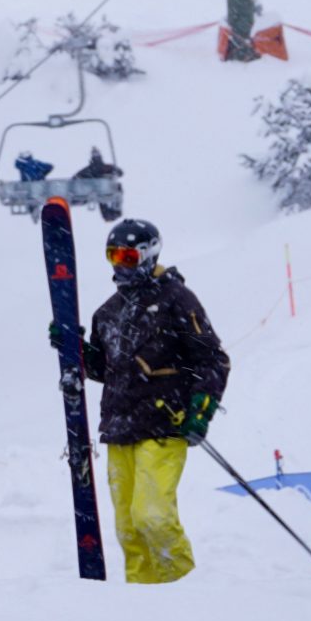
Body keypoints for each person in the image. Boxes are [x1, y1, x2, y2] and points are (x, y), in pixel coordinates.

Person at [51, 219, 229, 583]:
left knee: (153, 516)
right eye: (112, 256)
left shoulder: (176, 299)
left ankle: (184, 586)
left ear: (148, 255)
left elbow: (212, 359)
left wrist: (201, 411)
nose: (120, 264)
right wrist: (75, 350)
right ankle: (144, 604)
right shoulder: (108, 312)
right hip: (120, 427)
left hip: (165, 423)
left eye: (128, 256)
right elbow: (106, 368)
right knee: (129, 529)